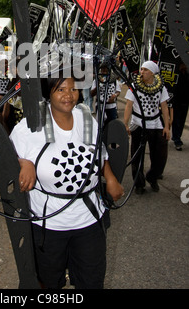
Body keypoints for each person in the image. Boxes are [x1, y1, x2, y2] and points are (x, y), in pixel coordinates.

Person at [10, 73, 124, 289]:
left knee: (91, 281)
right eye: (60, 89)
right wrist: (24, 162)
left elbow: (98, 152)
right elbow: (9, 152)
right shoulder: (32, 124)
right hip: (49, 224)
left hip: (89, 218)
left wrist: (109, 177)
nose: (68, 96)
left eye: (73, 89)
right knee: (48, 283)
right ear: (48, 93)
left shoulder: (85, 118)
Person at [124, 60, 170, 194]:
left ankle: (152, 177)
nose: (142, 72)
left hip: (156, 124)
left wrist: (166, 127)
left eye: (145, 70)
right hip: (138, 124)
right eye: (141, 69)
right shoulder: (134, 86)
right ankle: (139, 183)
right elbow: (128, 105)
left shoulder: (161, 87)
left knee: (160, 155)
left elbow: (164, 107)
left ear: (152, 73)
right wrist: (125, 124)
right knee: (137, 156)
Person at [171, 62, 189, 151]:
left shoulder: (187, 74)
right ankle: (177, 139)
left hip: (185, 100)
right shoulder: (176, 73)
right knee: (176, 120)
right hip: (176, 100)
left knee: (182, 120)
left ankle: (177, 137)